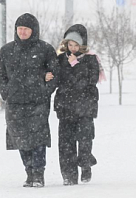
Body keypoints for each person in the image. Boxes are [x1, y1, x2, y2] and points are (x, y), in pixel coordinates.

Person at [0, 13, 59, 188]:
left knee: (38, 139)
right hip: (15, 102)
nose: (22, 32)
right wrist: (6, 92)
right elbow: (1, 75)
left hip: (37, 102)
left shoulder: (45, 49)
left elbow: (55, 73)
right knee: (20, 138)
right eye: (20, 29)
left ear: (33, 31)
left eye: (26, 29)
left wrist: (45, 91)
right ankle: (29, 172)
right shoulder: (6, 51)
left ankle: (38, 174)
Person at [51, 24, 104, 185]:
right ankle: (69, 175)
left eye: (76, 45)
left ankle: (85, 165)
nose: (73, 48)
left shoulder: (91, 59)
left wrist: (75, 64)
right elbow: (59, 79)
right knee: (66, 144)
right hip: (65, 107)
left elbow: (89, 80)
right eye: (70, 45)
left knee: (85, 141)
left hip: (85, 107)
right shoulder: (60, 59)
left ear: (82, 45)